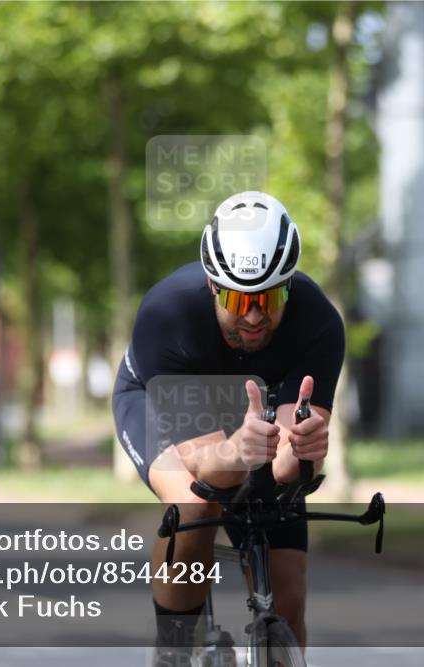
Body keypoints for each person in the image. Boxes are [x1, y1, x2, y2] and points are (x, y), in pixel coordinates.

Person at [112, 191, 344, 664]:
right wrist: (240, 453)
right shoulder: (168, 314)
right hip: (161, 402)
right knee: (197, 501)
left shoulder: (319, 322)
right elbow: (205, 466)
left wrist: (303, 450)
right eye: (239, 299)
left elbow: (287, 472)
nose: (254, 316)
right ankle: (173, 649)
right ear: (215, 286)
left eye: (269, 297)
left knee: (290, 596)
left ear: (289, 288)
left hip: (258, 410)